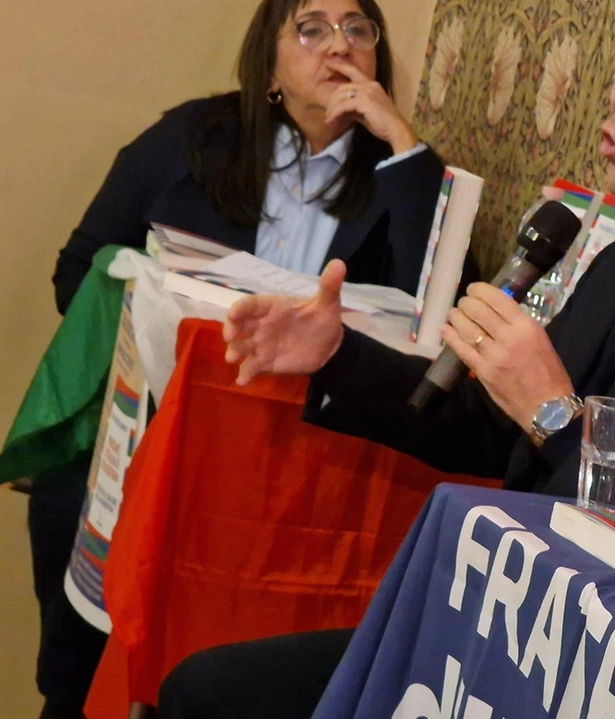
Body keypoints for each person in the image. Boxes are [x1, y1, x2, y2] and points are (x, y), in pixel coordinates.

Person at [157, 0, 615, 717]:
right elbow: (495, 428)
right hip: (510, 620)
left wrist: (554, 413)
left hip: (603, 677)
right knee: (204, 689)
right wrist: (335, 355)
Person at [36, 1, 469, 717]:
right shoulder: (192, 138)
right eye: (312, 28)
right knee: (85, 622)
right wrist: (160, 308)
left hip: (303, 459)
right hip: (164, 425)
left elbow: (439, 312)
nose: (339, 47)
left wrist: (402, 143)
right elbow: (76, 273)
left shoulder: (400, 171)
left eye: (358, 29)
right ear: (268, 57)